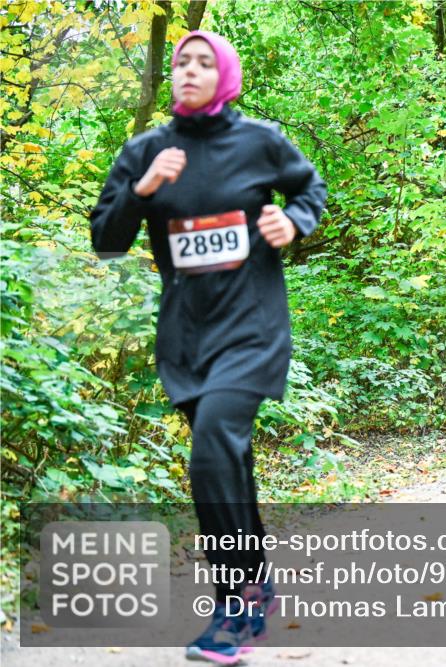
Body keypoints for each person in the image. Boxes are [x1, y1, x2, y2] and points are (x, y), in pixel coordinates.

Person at [90, 31, 326, 664]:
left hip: (252, 328)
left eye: (202, 62)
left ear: (224, 75)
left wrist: (293, 222)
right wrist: (142, 191)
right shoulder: (147, 150)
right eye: (179, 62)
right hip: (188, 338)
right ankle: (257, 580)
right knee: (228, 462)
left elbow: (310, 191)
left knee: (211, 450)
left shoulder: (260, 142)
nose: (188, 70)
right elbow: (106, 240)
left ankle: (233, 608)